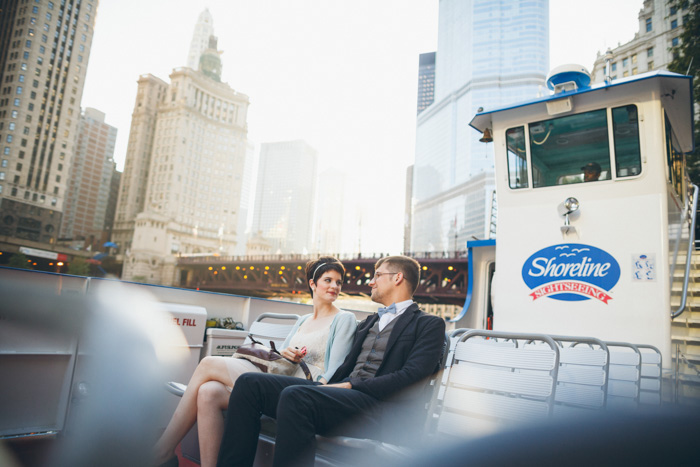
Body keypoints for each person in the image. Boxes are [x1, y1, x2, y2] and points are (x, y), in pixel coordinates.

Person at [216, 255, 446, 467]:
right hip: (343, 397)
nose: (371, 282)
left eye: (377, 275)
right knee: (249, 384)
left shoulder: (429, 325)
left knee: (296, 397)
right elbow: (343, 362)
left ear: (397, 278)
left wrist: (351, 385)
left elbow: (413, 378)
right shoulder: (369, 322)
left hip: (383, 409)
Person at [152, 257, 356, 467]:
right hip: (277, 378)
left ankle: (163, 451)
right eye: (328, 280)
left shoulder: (344, 319)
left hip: (301, 391)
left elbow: (337, 367)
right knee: (208, 392)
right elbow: (279, 360)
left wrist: (316, 391)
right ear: (313, 284)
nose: (334, 286)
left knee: (207, 364)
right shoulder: (303, 320)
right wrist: (286, 352)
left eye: (338, 282)